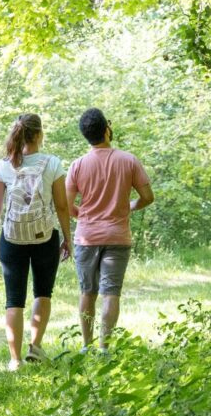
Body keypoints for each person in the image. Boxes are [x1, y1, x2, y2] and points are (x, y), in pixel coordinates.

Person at [0, 113, 71, 371]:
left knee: (14, 299)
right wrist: (68, 238)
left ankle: (15, 360)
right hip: (44, 236)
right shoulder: (53, 163)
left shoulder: (4, 166)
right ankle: (35, 347)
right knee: (43, 292)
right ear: (39, 134)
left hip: (12, 237)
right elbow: (62, 206)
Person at [66, 108, 154, 351]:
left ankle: (86, 346)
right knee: (111, 293)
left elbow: (66, 205)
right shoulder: (129, 160)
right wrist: (130, 206)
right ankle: (104, 348)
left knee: (87, 292)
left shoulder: (77, 165)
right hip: (118, 236)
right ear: (107, 130)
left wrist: (84, 216)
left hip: (86, 236)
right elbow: (148, 197)